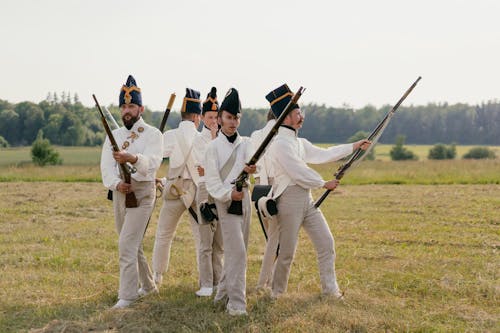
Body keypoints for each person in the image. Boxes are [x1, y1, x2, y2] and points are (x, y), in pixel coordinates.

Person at [266, 84, 371, 299]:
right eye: (296, 113)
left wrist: (353, 146)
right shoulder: (279, 144)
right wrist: (323, 183)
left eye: (300, 111)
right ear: (285, 118)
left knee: (326, 243)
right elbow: (297, 172)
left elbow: (324, 154)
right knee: (286, 252)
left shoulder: (300, 142)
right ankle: (276, 292)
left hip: (306, 199)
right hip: (289, 200)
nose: (301, 116)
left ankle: (330, 290)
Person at [100, 75, 163, 309]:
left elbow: (153, 162)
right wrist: (117, 184)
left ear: (141, 108)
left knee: (126, 244)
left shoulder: (153, 134)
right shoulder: (114, 136)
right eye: (124, 106)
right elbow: (106, 166)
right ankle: (147, 286)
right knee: (131, 243)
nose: (127, 111)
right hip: (120, 192)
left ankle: (128, 295)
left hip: (143, 193)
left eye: (131, 106)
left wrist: (132, 159)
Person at [204, 88, 256, 316]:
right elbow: (212, 183)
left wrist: (252, 171)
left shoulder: (246, 144)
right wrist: (228, 195)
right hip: (227, 203)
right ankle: (236, 304)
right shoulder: (212, 148)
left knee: (239, 249)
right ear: (220, 118)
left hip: (244, 200)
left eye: (236, 118)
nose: (233, 122)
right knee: (238, 253)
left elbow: (254, 171)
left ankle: (222, 292)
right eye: (228, 118)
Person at [152, 88, 202, 287]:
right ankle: (204, 279)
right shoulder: (202, 139)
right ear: (197, 116)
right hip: (195, 191)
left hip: (174, 188)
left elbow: (154, 156)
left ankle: (157, 276)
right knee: (201, 237)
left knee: (163, 234)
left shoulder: (170, 136)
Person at [191, 87, 224, 297]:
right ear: (202, 117)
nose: (213, 121)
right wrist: (214, 138)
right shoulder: (199, 140)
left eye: (216, 117)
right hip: (204, 190)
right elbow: (204, 166)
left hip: (221, 190)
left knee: (219, 242)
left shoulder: (225, 139)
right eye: (210, 117)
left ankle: (218, 281)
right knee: (205, 241)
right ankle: (205, 283)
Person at [249, 110, 278, 290]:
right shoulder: (283, 137)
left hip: (259, 188)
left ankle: (266, 281)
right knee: (276, 239)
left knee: (271, 238)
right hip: (277, 187)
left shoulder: (255, 136)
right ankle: (269, 281)